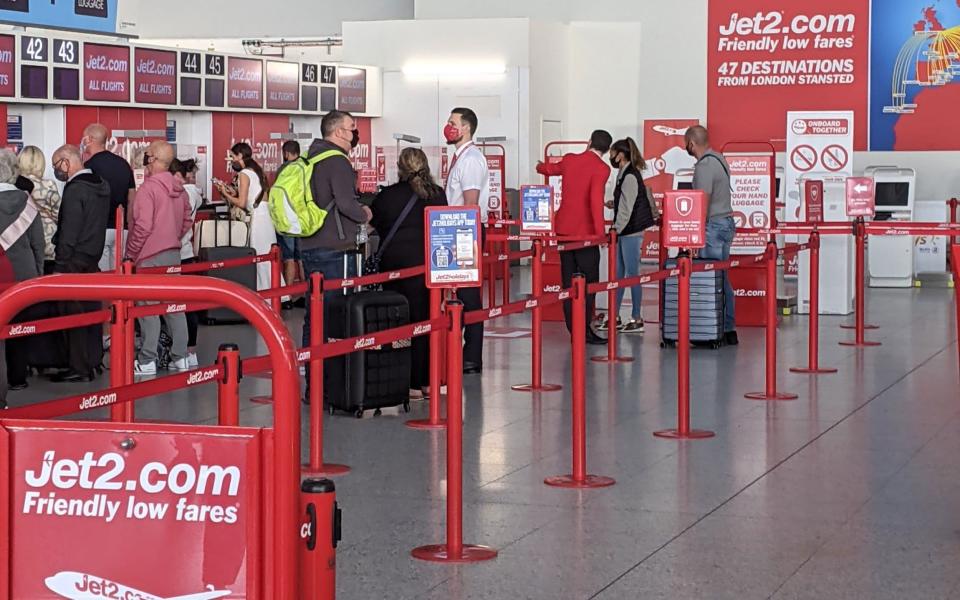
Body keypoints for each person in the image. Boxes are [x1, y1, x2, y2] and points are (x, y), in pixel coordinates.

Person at [301, 110, 372, 401]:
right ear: (338, 132)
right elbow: (345, 203)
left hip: (310, 244)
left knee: (313, 314)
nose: (355, 134)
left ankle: (313, 382)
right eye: (352, 128)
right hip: (337, 248)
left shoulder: (310, 159)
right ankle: (335, 383)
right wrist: (365, 213)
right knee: (337, 315)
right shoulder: (338, 161)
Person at [371, 147, 447, 399]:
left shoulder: (387, 196)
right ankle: (424, 382)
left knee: (398, 324)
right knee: (425, 323)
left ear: (399, 168)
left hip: (394, 269)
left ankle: (403, 381)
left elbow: (376, 225)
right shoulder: (437, 195)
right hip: (428, 267)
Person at [536, 129, 612, 345]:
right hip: (586, 233)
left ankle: (573, 329)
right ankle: (584, 329)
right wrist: (600, 235)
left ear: (589, 142)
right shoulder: (601, 168)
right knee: (589, 285)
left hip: (564, 231)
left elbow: (550, 169)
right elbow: (595, 201)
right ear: (606, 150)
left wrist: (539, 165)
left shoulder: (570, 160)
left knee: (568, 283)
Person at [125, 141, 193, 376]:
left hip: (149, 256)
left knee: (148, 309)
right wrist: (172, 236)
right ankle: (181, 356)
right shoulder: (180, 189)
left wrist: (130, 255)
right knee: (174, 306)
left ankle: (147, 360)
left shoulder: (148, 189)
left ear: (151, 159)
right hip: (173, 254)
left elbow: (142, 227)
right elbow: (187, 221)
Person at [50, 144, 109, 382]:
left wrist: (60, 265)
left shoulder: (75, 190)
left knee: (71, 315)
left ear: (66, 162)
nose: (57, 171)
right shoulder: (102, 186)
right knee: (92, 314)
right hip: (92, 259)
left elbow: (69, 232)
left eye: (57, 165)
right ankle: (92, 361)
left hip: (73, 262)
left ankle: (78, 367)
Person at [443, 107, 489, 373]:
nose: (448, 127)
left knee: (469, 295)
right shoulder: (461, 157)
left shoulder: (470, 159)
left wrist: (462, 239)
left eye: (453, 123)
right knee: (460, 293)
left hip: (464, 231)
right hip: (458, 230)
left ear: (466, 128)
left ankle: (471, 356)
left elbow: (470, 203)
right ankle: (462, 352)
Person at [686, 125, 738, 345]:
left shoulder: (705, 166)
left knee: (709, 279)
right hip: (725, 223)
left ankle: (709, 331)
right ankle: (727, 329)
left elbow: (702, 202)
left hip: (713, 226)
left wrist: (695, 236)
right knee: (721, 278)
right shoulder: (719, 159)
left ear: (691, 144)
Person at [600, 137, 656, 334]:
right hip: (625, 229)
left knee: (632, 275)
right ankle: (614, 315)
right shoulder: (624, 174)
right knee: (618, 275)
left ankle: (636, 317)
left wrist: (615, 228)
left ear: (621, 155)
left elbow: (628, 206)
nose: (611, 156)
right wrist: (613, 204)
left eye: (613, 152)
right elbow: (625, 202)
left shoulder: (630, 175)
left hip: (630, 231)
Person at [0, 150, 45, 392]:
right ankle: (18, 377)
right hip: (24, 275)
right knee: (19, 329)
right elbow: (38, 243)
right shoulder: (27, 201)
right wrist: (37, 275)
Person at [215, 142, 276, 292]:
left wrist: (225, 194)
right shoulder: (256, 171)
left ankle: (263, 293)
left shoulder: (244, 174)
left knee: (258, 256)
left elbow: (241, 203)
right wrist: (231, 192)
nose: (231, 160)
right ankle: (276, 293)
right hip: (266, 217)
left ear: (240, 156)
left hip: (257, 220)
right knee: (268, 258)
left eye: (232, 156)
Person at [82, 123, 136, 271]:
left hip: (98, 230)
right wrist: (128, 225)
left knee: (102, 278)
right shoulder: (123, 164)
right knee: (119, 275)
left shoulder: (88, 166)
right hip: (121, 229)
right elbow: (132, 198)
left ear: (90, 139)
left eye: (84, 138)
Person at [171, 157, 202, 368]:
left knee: (175, 307)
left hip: (176, 254)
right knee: (189, 305)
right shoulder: (196, 195)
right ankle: (189, 351)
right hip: (188, 253)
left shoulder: (183, 194)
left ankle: (180, 352)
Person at [18, 145, 62, 274]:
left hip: (23, 237)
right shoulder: (48, 185)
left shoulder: (16, 185)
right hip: (47, 240)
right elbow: (60, 214)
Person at [276, 140, 307, 309]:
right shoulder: (306, 168)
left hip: (287, 220)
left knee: (288, 258)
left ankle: (287, 297)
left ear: (286, 153)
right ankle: (306, 295)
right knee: (302, 259)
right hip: (302, 221)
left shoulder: (284, 169)